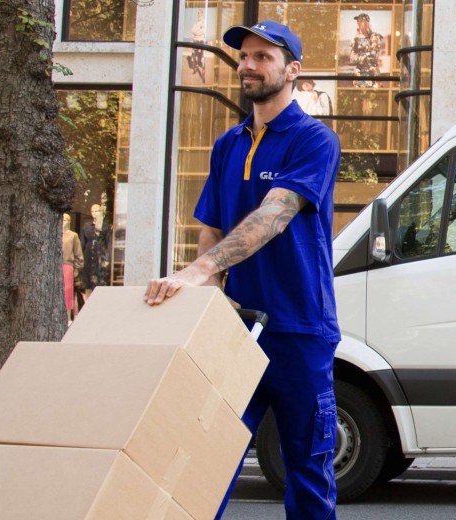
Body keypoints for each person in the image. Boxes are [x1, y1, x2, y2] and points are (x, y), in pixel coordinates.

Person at [145, 19, 342, 520]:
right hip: (236, 330)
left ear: (292, 71)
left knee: (308, 469)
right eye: (244, 56)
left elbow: (274, 216)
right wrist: (208, 286)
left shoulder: (313, 139)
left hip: (299, 328)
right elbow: (211, 225)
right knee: (205, 461)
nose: (248, 65)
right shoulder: (227, 144)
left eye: (263, 57)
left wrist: (197, 270)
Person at [348, 13, 385, 87]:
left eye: (361, 21)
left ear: (367, 23)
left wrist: (360, 57)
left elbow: (373, 56)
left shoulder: (374, 36)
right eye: (358, 21)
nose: (359, 23)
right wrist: (366, 55)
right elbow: (352, 58)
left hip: (372, 73)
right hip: (359, 74)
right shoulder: (355, 39)